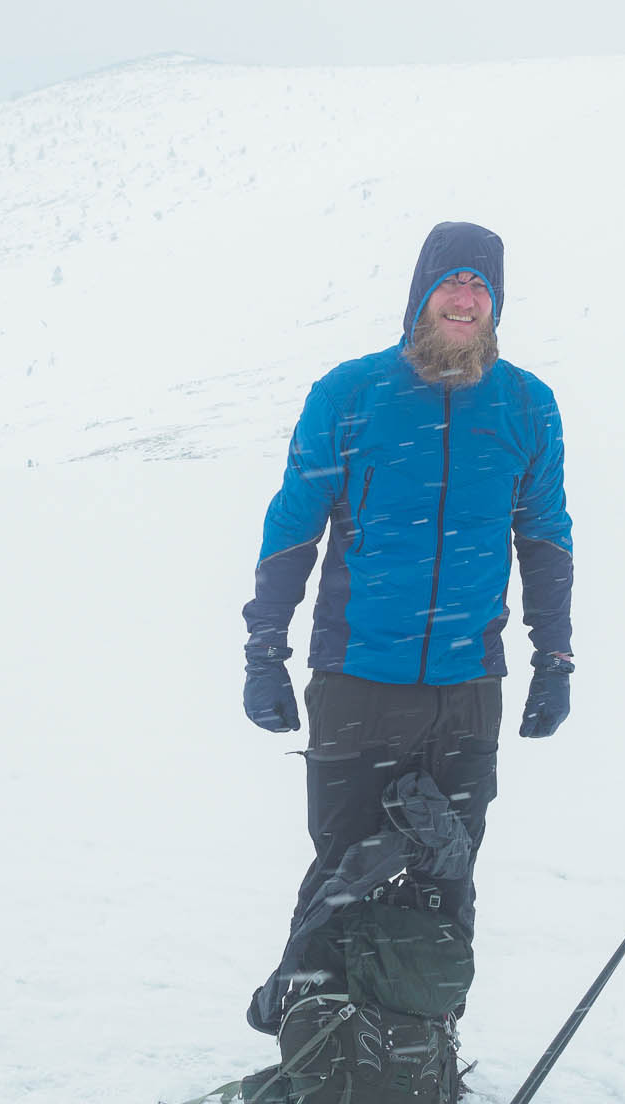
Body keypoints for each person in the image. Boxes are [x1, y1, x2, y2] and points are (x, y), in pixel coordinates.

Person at [240, 220, 574, 1034]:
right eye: (450, 282)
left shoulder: (527, 405)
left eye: (480, 286)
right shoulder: (351, 393)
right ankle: (319, 1041)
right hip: (358, 681)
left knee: (449, 873)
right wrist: (264, 649)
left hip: (467, 688)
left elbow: (545, 538)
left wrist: (554, 657)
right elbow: (294, 524)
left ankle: (424, 1047)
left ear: (495, 305)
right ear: (421, 295)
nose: (465, 297)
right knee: (341, 865)